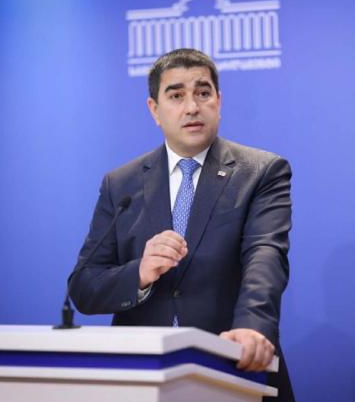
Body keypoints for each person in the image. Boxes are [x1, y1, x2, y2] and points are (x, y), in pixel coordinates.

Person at [68, 48, 294, 401]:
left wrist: (252, 328)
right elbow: (85, 285)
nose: (192, 107)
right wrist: (140, 273)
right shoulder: (120, 184)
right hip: (143, 379)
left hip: (233, 366)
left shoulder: (261, 172)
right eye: (176, 96)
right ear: (154, 110)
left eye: (203, 93)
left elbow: (265, 257)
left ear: (218, 101)